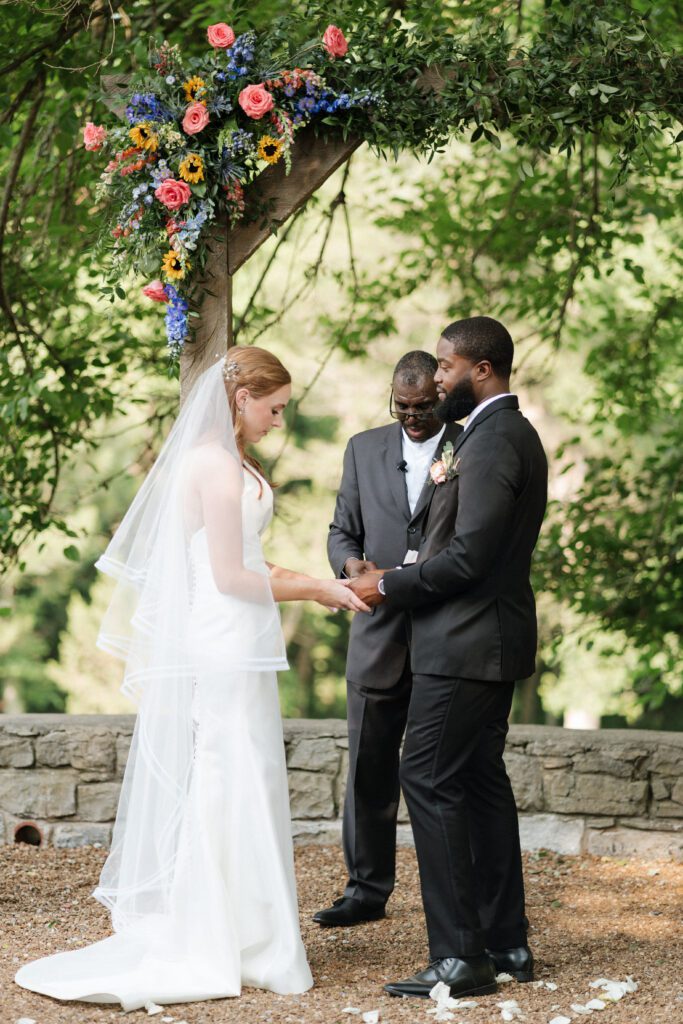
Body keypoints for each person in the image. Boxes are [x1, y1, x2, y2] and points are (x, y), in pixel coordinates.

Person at [15, 346, 368, 1012]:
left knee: (247, 774)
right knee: (227, 775)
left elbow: (248, 561)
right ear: (240, 398)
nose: (278, 420)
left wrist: (319, 583)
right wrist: (317, 590)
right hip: (222, 639)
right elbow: (232, 576)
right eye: (273, 407)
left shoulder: (232, 462)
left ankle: (249, 935)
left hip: (239, 636)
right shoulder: (209, 465)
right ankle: (215, 938)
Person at [349, 317, 548, 999]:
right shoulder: (496, 434)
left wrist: (390, 585)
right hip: (483, 640)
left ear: (481, 370)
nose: (435, 379)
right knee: (478, 782)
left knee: (426, 776)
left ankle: (460, 956)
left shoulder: (492, 442)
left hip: (464, 641)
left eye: (444, 367)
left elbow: (470, 556)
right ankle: (506, 942)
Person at [314, 351, 461, 927]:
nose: (414, 417)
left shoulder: (467, 445)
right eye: (403, 407)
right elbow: (340, 528)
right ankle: (365, 890)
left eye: (424, 406)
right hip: (375, 632)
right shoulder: (362, 447)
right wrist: (350, 565)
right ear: (391, 399)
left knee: (435, 774)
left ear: (440, 397)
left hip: (442, 631)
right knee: (368, 767)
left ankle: (445, 901)